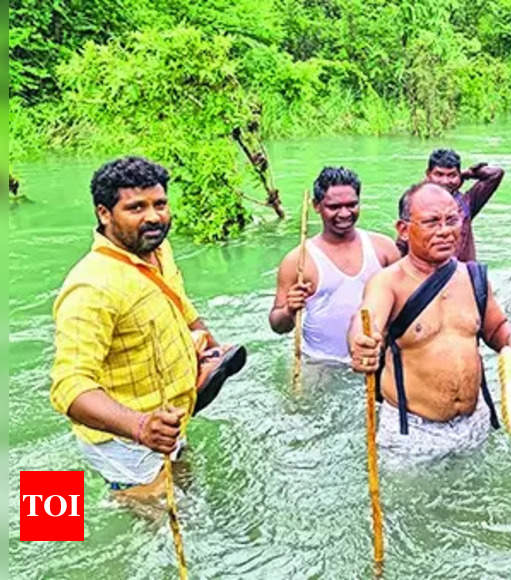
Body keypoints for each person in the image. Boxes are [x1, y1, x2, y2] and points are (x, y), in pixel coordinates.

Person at [50, 156, 243, 496]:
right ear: (104, 213)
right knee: (154, 527)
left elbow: (180, 303)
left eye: (160, 204)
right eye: (136, 207)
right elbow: (69, 387)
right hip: (124, 440)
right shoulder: (91, 287)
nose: (154, 216)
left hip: (168, 419)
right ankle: (62, 524)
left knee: (185, 488)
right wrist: (141, 428)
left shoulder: (157, 247)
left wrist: (211, 347)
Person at [349, 182, 511, 462]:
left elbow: (496, 328)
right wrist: (361, 344)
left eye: (452, 220)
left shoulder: (474, 277)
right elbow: (365, 321)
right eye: (431, 222)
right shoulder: (388, 283)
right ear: (403, 230)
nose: (445, 231)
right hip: (412, 431)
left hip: (475, 421)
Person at [269, 167, 400, 364]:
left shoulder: (383, 248)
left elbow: (404, 304)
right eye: (334, 207)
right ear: (316, 206)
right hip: (319, 361)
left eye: (352, 205)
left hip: (373, 358)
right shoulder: (299, 260)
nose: (345, 213)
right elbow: (277, 326)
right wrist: (289, 309)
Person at [418, 148, 504, 262]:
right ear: (428, 174)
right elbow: (402, 245)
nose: (445, 181)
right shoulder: (416, 202)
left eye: (452, 175)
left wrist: (466, 174)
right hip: (428, 274)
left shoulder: (468, 202)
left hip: (464, 273)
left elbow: (495, 174)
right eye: (439, 174)